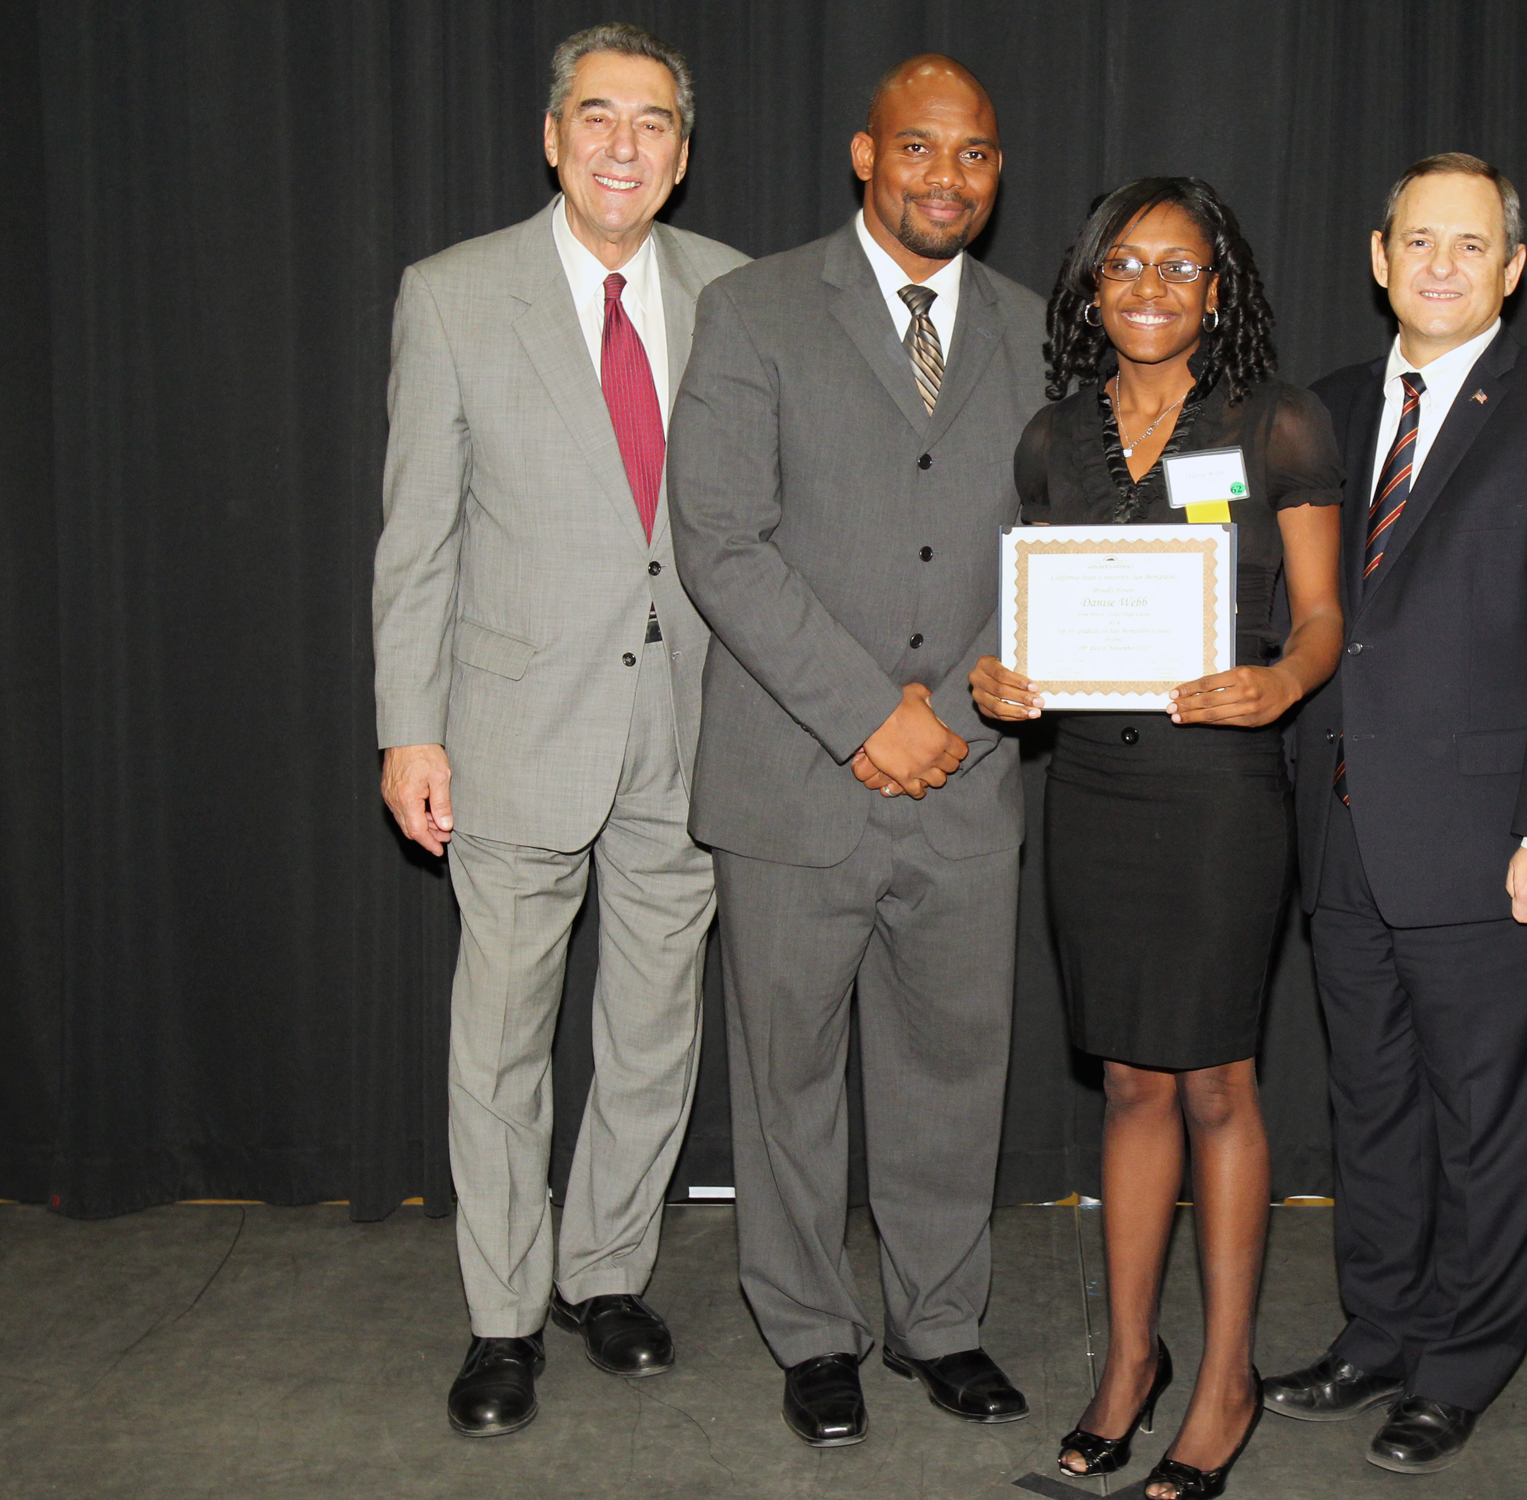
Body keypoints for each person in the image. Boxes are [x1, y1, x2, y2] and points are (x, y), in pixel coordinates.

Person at [371, 23, 746, 1437]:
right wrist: (410, 726)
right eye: (598, 116)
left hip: (691, 730)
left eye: (652, 123)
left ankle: (607, 1273)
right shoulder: (456, 293)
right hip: (513, 727)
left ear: (683, 153)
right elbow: (418, 533)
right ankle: (502, 1316)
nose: (622, 144)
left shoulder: (733, 295)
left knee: (654, 1029)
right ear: (552, 135)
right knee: (503, 1041)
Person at [1259, 154, 1527, 1473]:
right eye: (1418, 240)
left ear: (1511, 268)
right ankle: (1378, 1331)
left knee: (1492, 1118)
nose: (1441, 263)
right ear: (1378, 257)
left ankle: (1461, 1364)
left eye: (1470, 245)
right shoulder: (1311, 413)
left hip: (1499, 854)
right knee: (1369, 1106)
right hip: (1342, 835)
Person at [665, 56, 1043, 1449]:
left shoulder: (1031, 327)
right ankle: (811, 1334)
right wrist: (867, 712)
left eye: (978, 155)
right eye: (920, 149)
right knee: (789, 1079)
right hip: (792, 783)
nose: (948, 177)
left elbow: (1057, 542)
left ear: (997, 173)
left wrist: (944, 712)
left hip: (969, 777)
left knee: (955, 1071)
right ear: (863, 156)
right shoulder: (754, 309)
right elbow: (718, 535)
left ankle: (940, 1323)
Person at [971, 177, 1344, 1500]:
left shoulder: (1275, 422)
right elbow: (1042, 618)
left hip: (1219, 795)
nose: (1148, 290)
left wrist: (1284, 684)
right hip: (1092, 792)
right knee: (1128, 1084)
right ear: (1089, 288)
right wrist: (1002, 679)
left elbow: (1319, 618)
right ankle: (1133, 1363)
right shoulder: (1049, 439)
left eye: (1179, 269)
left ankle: (1228, 1377)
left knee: (1215, 1088)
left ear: (1219, 291)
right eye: (1123, 266)